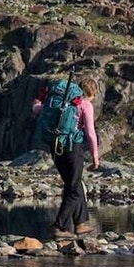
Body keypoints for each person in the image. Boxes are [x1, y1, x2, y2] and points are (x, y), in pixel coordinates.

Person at [34, 75, 101, 237]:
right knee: (73, 189)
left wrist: (38, 100)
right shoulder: (85, 104)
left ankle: (81, 223)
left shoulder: (60, 102)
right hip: (72, 147)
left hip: (55, 146)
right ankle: (60, 226)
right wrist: (95, 155)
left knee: (75, 185)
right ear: (92, 93)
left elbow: (36, 109)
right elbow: (90, 133)